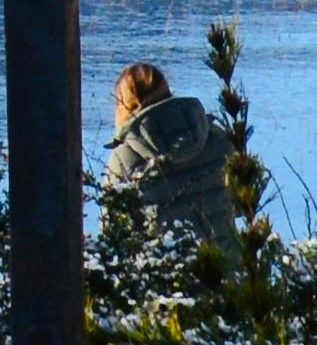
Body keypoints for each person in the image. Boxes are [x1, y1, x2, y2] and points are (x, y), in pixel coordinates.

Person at [101, 60, 239, 251]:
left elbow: (113, 237)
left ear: (123, 104)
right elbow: (241, 204)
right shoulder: (215, 138)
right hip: (228, 270)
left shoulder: (123, 160)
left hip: (165, 276)